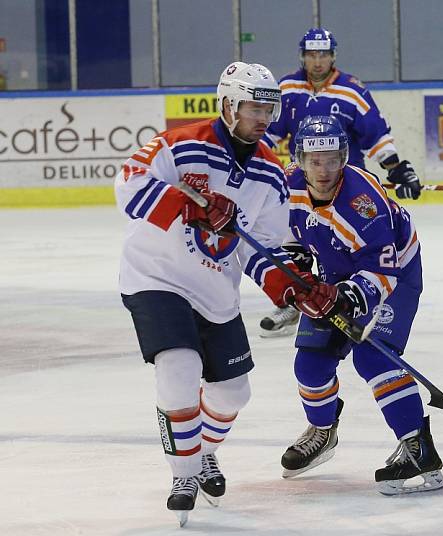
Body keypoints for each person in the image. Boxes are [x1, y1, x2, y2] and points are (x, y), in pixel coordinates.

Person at [115, 61, 313, 526]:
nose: (262, 117)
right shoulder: (181, 143)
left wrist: (286, 284)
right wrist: (189, 206)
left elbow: (260, 248)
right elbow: (127, 184)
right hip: (155, 276)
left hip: (214, 291)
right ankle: (183, 474)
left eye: (270, 108)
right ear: (227, 104)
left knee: (233, 393)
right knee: (178, 367)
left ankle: (201, 450)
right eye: (252, 107)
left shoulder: (270, 174)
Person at [276, 114, 443, 496]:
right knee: (310, 362)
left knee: (374, 359)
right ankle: (322, 431)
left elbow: (382, 271)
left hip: (394, 276)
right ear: (300, 160)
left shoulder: (362, 202)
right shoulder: (288, 186)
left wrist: (348, 297)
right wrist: (300, 271)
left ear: (345, 157)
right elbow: (290, 236)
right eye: (314, 162)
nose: (323, 171)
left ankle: (418, 448)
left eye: (333, 160)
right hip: (336, 270)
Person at [259, 26, 422, 338]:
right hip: (307, 183)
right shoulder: (288, 88)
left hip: (348, 190)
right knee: (293, 240)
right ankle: (299, 298)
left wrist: (397, 168)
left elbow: (375, 134)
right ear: (302, 57)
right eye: (311, 55)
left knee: (356, 245)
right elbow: (269, 137)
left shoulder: (351, 90)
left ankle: (360, 294)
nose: (317, 61)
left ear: (332, 56)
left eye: (323, 55)